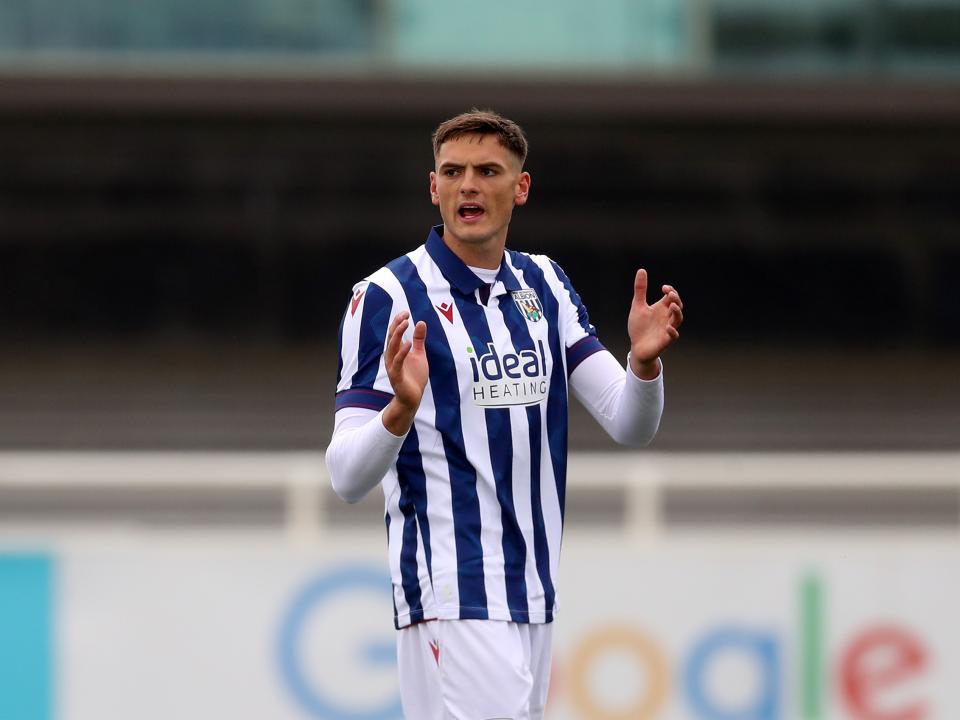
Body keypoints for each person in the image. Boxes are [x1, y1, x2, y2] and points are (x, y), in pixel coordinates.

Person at [325, 109, 683, 720]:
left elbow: (628, 422)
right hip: (451, 586)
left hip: (532, 591)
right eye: (453, 171)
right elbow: (346, 477)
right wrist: (400, 410)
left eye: (488, 170)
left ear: (520, 187)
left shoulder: (543, 283)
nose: (469, 185)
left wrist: (643, 367)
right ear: (432, 187)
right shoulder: (387, 295)